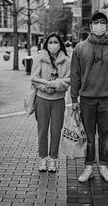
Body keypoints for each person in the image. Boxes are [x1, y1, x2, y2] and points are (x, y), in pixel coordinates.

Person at [71, 11, 108, 183]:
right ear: (90, 26)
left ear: (107, 26)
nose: (99, 25)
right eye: (96, 22)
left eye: (103, 22)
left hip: (107, 100)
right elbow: (75, 75)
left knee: (105, 134)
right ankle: (89, 167)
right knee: (88, 135)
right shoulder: (80, 48)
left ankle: (103, 165)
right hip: (86, 100)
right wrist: (74, 99)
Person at [31, 32, 70, 173]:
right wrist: (45, 87)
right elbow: (34, 78)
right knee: (42, 130)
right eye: (50, 42)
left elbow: (68, 80)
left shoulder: (66, 60)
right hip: (41, 99)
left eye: (56, 42)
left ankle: (53, 159)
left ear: (60, 44)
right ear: (46, 44)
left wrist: (56, 85)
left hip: (58, 100)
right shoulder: (40, 59)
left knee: (56, 131)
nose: (53, 45)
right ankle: (43, 158)